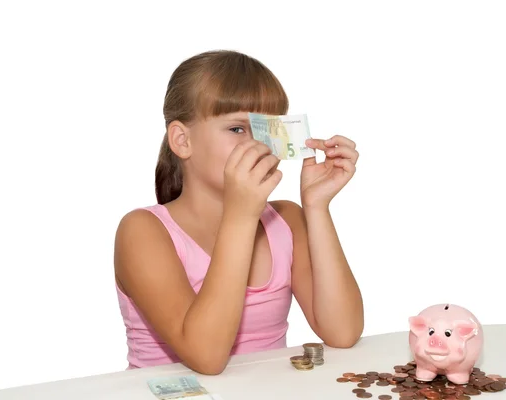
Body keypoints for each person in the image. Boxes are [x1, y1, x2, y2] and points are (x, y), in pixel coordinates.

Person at [113, 49, 364, 375]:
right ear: (182, 140)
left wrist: (316, 207)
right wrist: (242, 216)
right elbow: (206, 357)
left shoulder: (286, 220)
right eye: (236, 129)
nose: (257, 145)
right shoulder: (142, 231)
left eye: (266, 129)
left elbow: (342, 333)